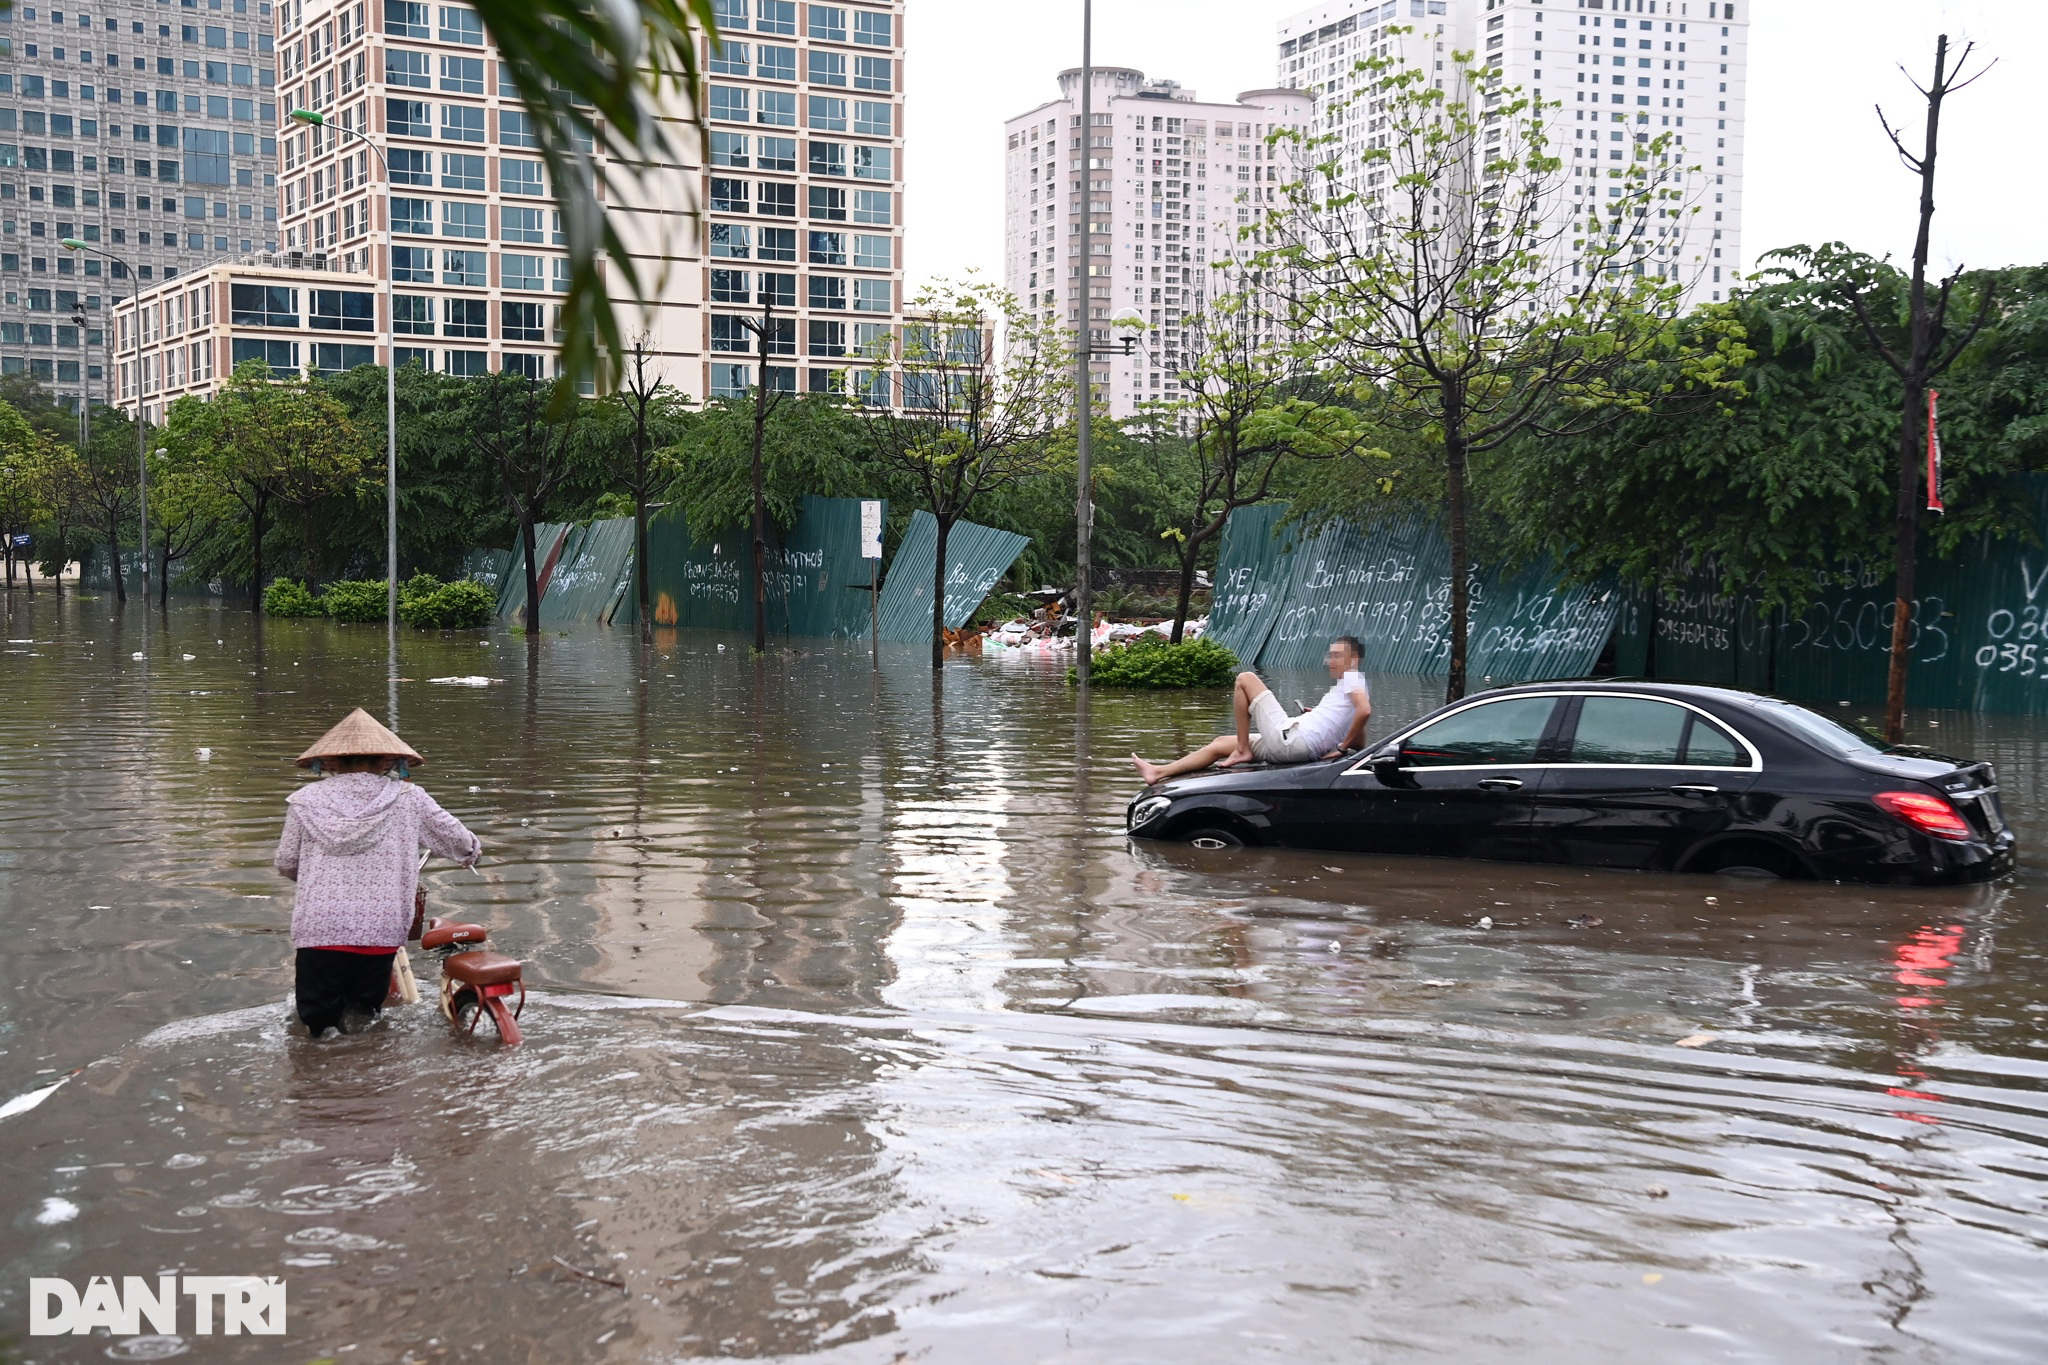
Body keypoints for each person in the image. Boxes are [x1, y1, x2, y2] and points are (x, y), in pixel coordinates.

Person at [275, 708, 482, 1036]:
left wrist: (319, 879)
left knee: (317, 1027)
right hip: (379, 928)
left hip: (320, 927)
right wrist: (471, 851)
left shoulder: (304, 802)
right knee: (365, 1019)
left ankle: (317, 1079)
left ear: (329, 762)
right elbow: (456, 838)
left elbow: (286, 862)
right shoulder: (409, 799)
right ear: (388, 762)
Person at [1132, 636, 1372, 785]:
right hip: (1297, 745)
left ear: (1354, 659)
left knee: (1245, 678)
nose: (1331, 660)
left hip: (1294, 742)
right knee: (1220, 744)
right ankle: (1158, 772)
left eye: (1338, 656)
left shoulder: (1352, 677)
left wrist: (1340, 748)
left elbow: (1364, 712)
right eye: (1330, 655)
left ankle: (1243, 749)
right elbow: (1359, 734)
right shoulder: (1350, 689)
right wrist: (1328, 728)